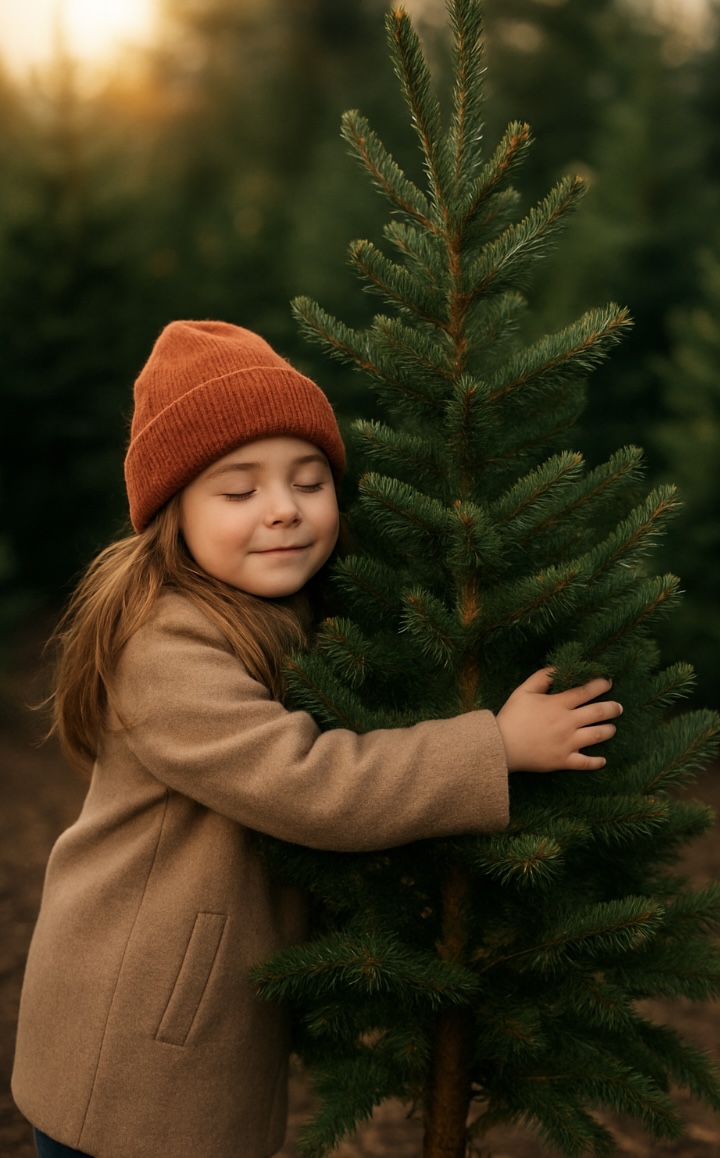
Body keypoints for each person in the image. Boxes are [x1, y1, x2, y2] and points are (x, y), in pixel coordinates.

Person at [12, 321, 622, 1158]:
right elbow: (307, 782)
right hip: (131, 1034)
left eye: (310, 481)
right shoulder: (162, 646)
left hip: (189, 1015)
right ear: (171, 514)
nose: (284, 510)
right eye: (238, 491)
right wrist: (493, 746)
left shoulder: (294, 614)